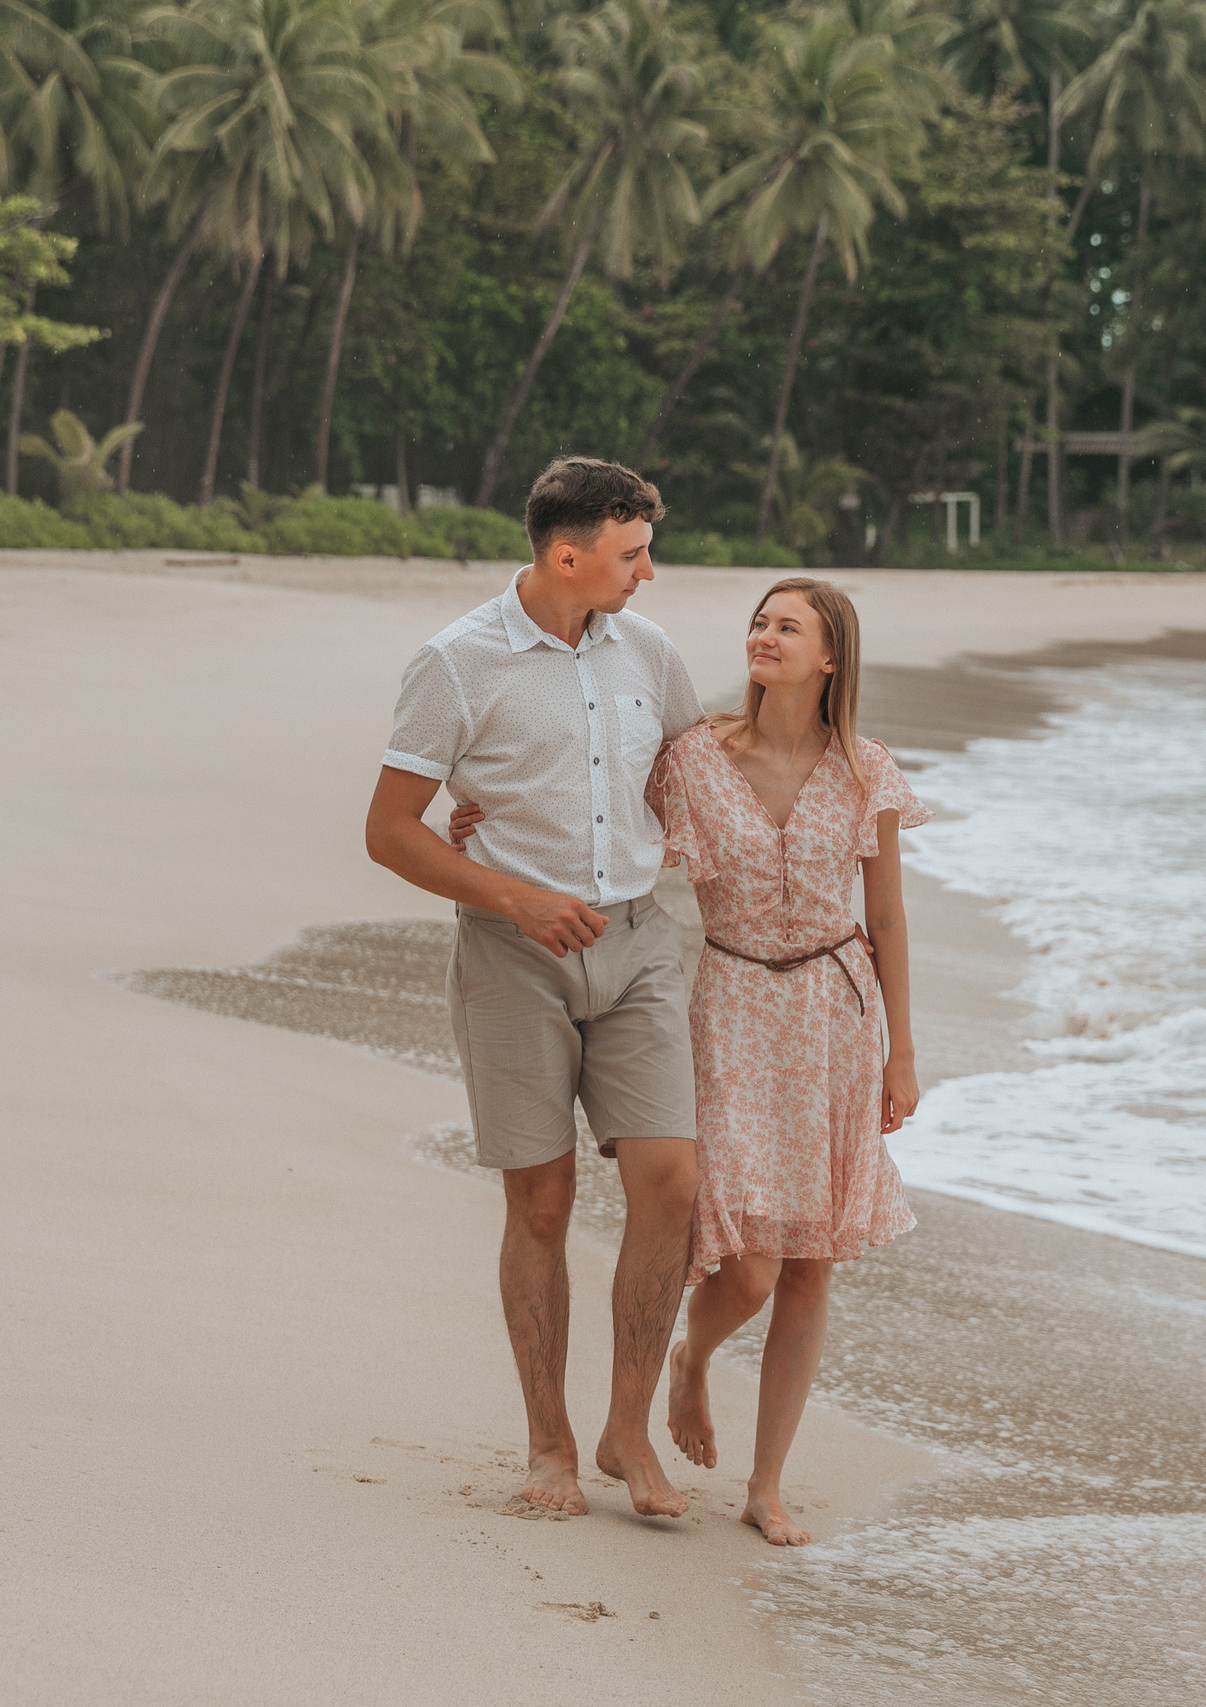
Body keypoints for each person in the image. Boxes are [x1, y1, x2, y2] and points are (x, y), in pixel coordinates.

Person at [457, 576, 925, 1546]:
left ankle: (765, 1485)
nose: (765, 635)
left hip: (835, 1019)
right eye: (759, 621)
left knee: (811, 1266)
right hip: (733, 1008)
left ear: (829, 657)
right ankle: (688, 1358)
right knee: (749, 1266)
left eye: (787, 626)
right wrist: (479, 817)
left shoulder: (866, 770)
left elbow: (885, 917)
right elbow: (588, 806)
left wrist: (901, 1054)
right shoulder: (697, 758)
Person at [364, 456, 703, 1520]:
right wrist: (512, 895)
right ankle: (549, 1444)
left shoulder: (649, 650)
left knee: (671, 1184)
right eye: (632, 552)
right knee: (542, 1200)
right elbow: (389, 831)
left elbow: (693, 778)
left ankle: (625, 1431)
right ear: (568, 555)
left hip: (640, 942)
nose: (648, 572)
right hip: (513, 956)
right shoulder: (456, 663)